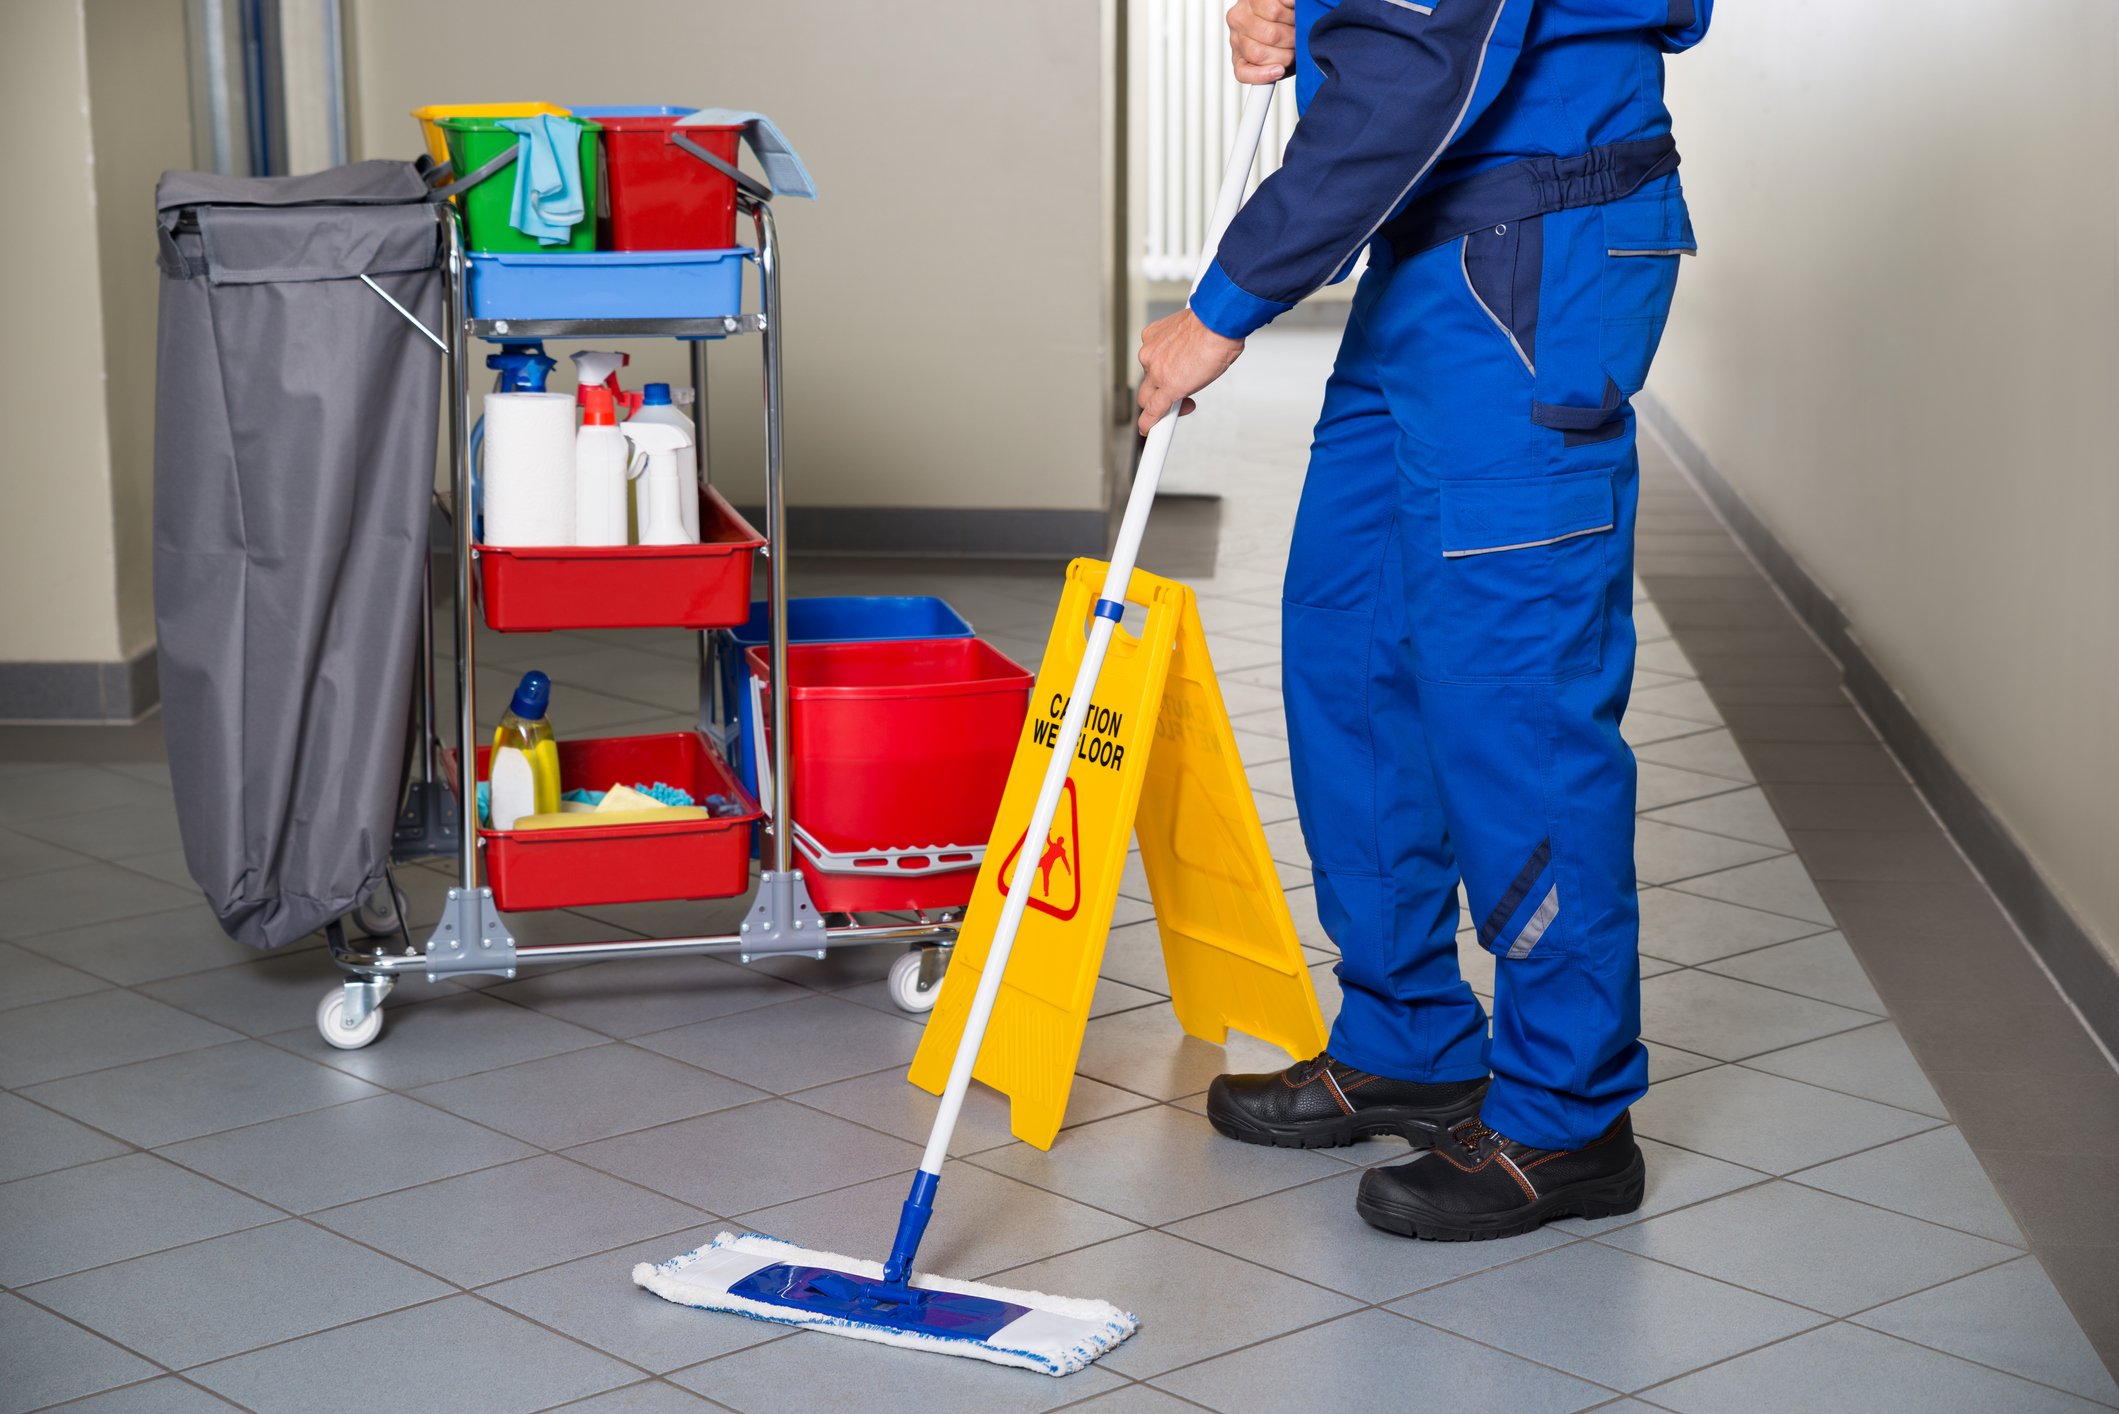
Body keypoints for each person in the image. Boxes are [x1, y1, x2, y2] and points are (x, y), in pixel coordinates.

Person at [1136, 0, 1713, 1240]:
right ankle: (1407, 1037)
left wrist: (1221, 307)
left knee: (1511, 696)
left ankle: (1568, 1114)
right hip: (1430, 252)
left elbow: (1417, 70)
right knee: (1352, 651)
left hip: (1535, 258)